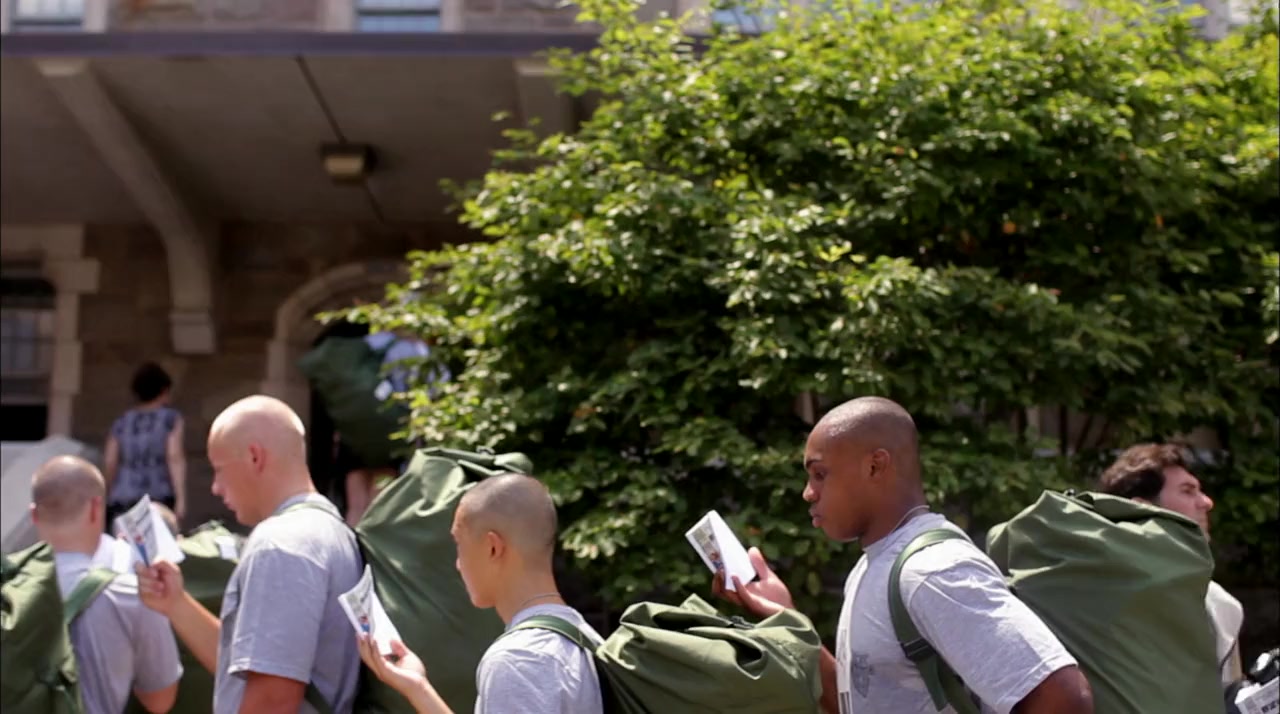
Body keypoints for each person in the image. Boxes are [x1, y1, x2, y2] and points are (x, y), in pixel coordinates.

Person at [714, 396, 1093, 714]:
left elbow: (1064, 697)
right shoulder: (871, 567)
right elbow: (855, 701)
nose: (808, 492)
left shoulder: (933, 570)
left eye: (820, 474)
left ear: (875, 466)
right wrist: (785, 617)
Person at [134, 395, 363, 714]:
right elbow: (257, 666)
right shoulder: (330, 529)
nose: (215, 487)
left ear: (255, 457)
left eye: (219, 470)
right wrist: (176, 604)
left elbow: (273, 699)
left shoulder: (280, 544)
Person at [358, 473, 604, 714]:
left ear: (492, 547)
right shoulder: (582, 635)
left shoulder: (517, 660)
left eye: (459, 544)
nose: (458, 564)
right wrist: (418, 687)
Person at [30, 455, 183, 714]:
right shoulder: (135, 596)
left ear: (33, 514)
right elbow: (160, 701)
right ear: (95, 508)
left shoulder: (9, 588)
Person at [1097, 442, 1245, 685]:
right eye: (1187, 491)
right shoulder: (1093, 590)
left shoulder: (1221, 606)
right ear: (1141, 507)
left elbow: (1227, 697)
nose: (1206, 502)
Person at [104, 362, 188, 530]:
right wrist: (181, 498)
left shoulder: (122, 422)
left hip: (124, 495)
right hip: (158, 495)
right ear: (164, 391)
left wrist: (106, 493)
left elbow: (110, 461)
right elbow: (174, 456)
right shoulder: (170, 419)